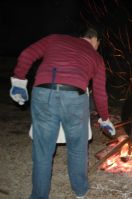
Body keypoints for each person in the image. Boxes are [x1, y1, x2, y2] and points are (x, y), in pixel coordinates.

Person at [9, 27, 116, 198]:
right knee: (77, 148)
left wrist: (19, 80)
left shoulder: (55, 38)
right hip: (75, 97)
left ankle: (39, 196)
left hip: (43, 92)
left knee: (43, 150)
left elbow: (27, 54)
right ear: (95, 40)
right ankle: (80, 190)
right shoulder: (96, 57)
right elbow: (100, 93)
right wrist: (104, 119)